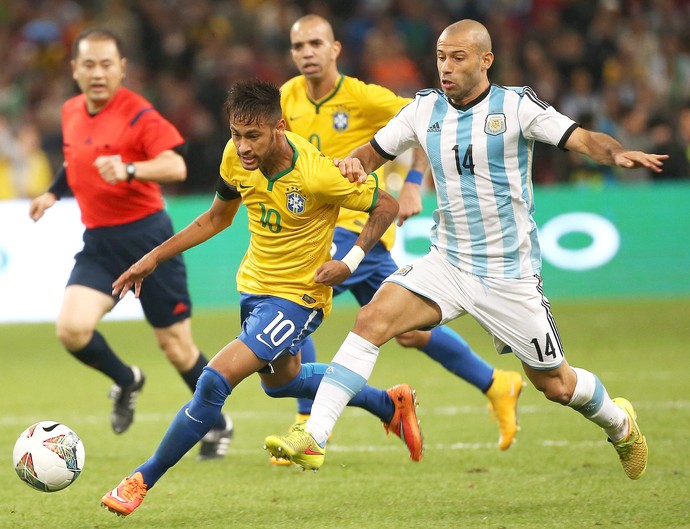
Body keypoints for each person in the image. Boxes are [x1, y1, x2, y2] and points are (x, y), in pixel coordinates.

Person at [266, 19, 666, 480]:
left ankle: (620, 425)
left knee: (555, 384)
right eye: (441, 58)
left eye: (458, 58)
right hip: (448, 262)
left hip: (508, 275)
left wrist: (614, 153)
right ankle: (314, 437)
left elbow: (582, 138)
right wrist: (345, 168)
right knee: (371, 320)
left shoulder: (516, 106)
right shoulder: (424, 110)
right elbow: (372, 152)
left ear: (485, 60)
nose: (446, 67)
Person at [100, 79, 421, 517]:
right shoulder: (235, 158)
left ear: (279, 128)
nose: (243, 146)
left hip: (299, 298)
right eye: (236, 134)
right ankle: (389, 403)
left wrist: (350, 260)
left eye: (253, 136)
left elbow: (383, 205)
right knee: (283, 384)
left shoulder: (317, 174)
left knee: (214, 380)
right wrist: (151, 258)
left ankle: (140, 479)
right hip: (254, 288)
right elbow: (216, 218)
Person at [271, 14, 524, 462]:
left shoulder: (364, 97)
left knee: (302, 289)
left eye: (316, 43)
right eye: (298, 46)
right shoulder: (286, 97)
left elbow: (433, 123)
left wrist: (411, 182)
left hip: (357, 225)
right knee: (407, 332)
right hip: (312, 224)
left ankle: (306, 422)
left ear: (335, 50)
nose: (306, 53)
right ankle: (495, 382)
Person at [28, 28, 233, 460]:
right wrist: (53, 191)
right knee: (72, 329)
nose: (98, 73)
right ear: (74, 70)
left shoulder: (139, 113)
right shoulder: (70, 111)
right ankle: (126, 380)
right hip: (100, 243)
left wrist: (130, 170)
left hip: (151, 242)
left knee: (176, 347)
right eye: (89, 64)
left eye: (106, 64)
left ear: (122, 68)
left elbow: (175, 165)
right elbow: (75, 159)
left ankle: (217, 423)